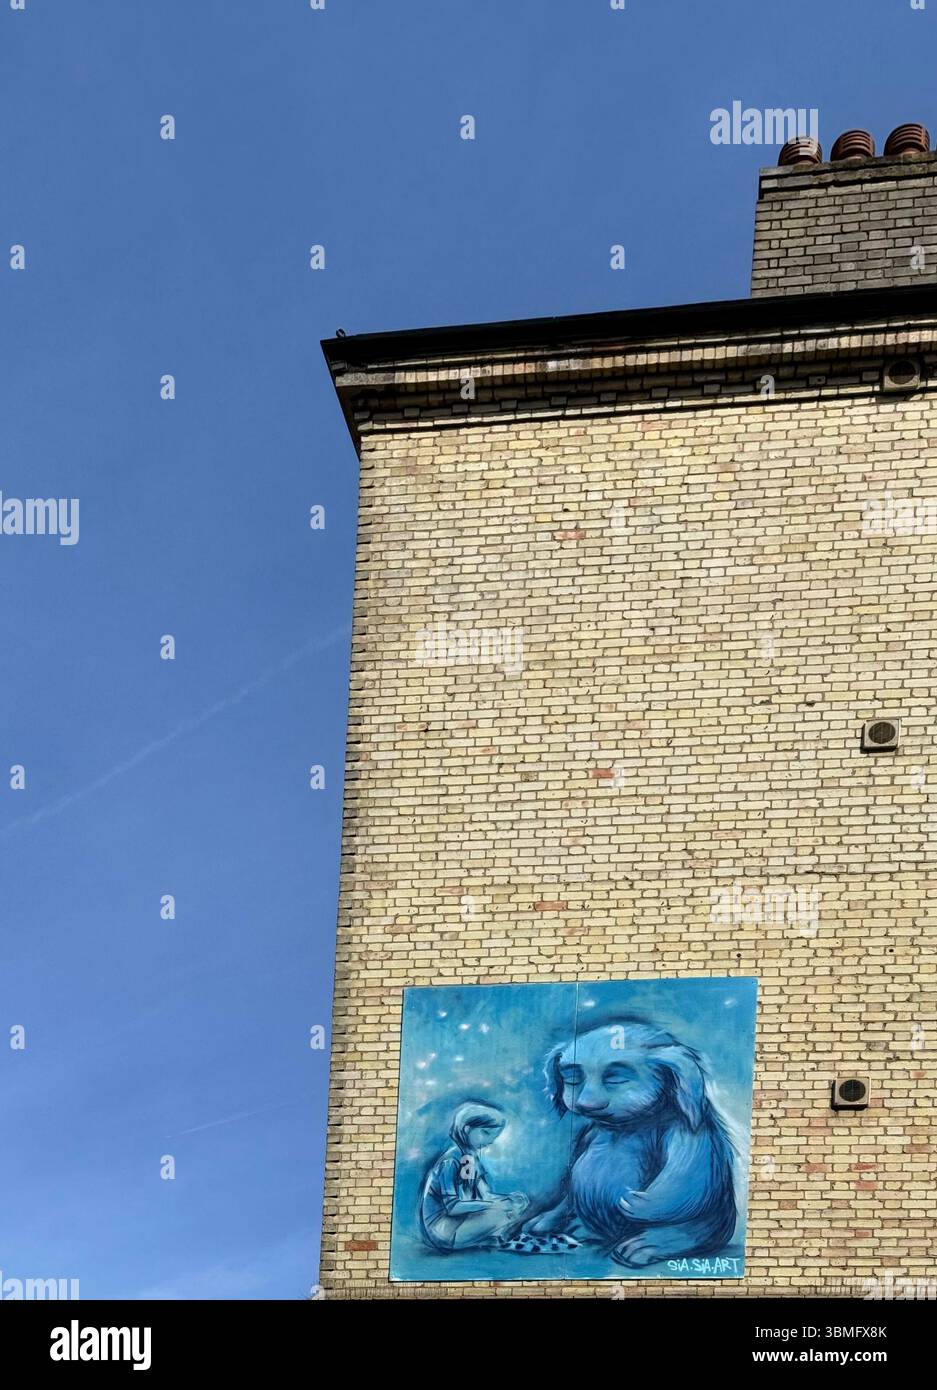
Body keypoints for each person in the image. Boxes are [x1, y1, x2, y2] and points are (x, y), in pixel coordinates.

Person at [419, 1102, 528, 1251]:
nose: (490, 1141)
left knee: (516, 1204)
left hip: (462, 1220)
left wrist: (507, 1199)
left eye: (494, 1137)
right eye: (486, 1133)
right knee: (501, 1213)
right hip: (442, 1228)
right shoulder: (451, 1161)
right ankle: (480, 1238)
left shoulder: (471, 1158)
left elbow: (485, 1195)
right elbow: (452, 1208)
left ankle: (483, 1238)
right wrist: (494, 1205)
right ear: (467, 1129)